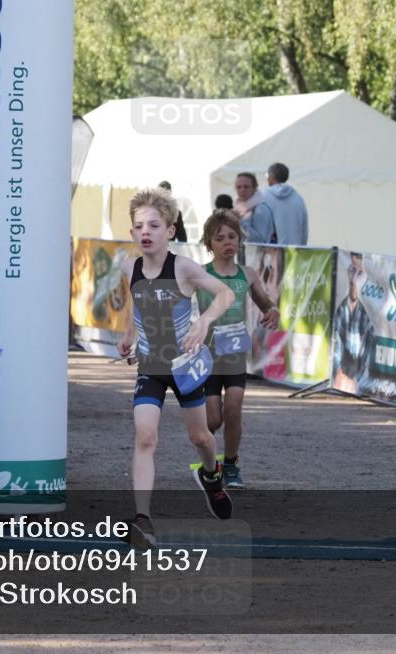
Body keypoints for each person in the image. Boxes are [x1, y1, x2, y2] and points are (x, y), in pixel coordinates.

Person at [117, 188, 235, 548]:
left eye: (154, 225)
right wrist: (128, 335)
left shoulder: (183, 267)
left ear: (170, 231)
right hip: (150, 367)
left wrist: (204, 322)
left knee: (200, 437)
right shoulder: (129, 267)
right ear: (133, 232)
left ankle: (211, 476)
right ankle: (142, 519)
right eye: (139, 226)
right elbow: (137, 305)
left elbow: (225, 294)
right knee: (145, 436)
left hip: (185, 367)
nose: (146, 232)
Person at [196, 209, 279, 488]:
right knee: (213, 420)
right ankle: (209, 462)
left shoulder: (248, 274)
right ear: (209, 243)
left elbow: (265, 304)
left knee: (233, 411)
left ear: (240, 240)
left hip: (233, 356)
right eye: (220, 238)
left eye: (232, 236)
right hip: (206, 357)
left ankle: (231, 466)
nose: (227, 242)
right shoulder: (200, 274)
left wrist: (272, 311)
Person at [331, 253, 375, 395]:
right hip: (341, 382)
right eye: (352, 270)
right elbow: (335, 348)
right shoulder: (341, 310)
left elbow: (369, 358)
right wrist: (338, 373)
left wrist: (356, 380)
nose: (354, 278)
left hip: (358, 385)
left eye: (360, 273)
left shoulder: (369, 314)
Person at [262, 162, 309, 246]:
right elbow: (304, 229)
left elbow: (262, 228)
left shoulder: (264, 196)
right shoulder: (298, 198)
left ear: (271, 177)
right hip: (294, 250)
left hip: (272, 251)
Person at [233, 172, 275, 244]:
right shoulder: (237, 208)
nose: (242, 190)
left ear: (254, 188)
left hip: (257, 251)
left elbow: (259, 240)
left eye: (246, 186)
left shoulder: (260, 208)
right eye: (239, 187)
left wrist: (239, 221)